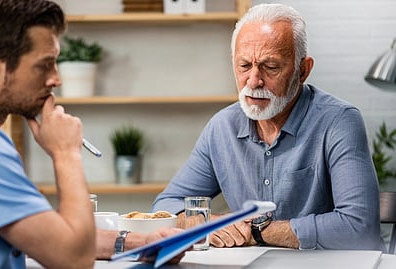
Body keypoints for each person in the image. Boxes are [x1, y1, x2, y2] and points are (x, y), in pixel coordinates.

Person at [0, 0, 184, 268]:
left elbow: (44, 231)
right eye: (45, 65)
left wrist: (137, 242)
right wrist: (66, 152)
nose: (57, 79)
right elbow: (73, 259)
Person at [152, 3, 386, 252]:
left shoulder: (339, 121)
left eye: (271, 67)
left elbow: (359, 228)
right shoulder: (222, 127)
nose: (253, 81)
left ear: (303, 70)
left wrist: (257, 231)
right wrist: (204, 223)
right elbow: (164, 207)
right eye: (244, 66)